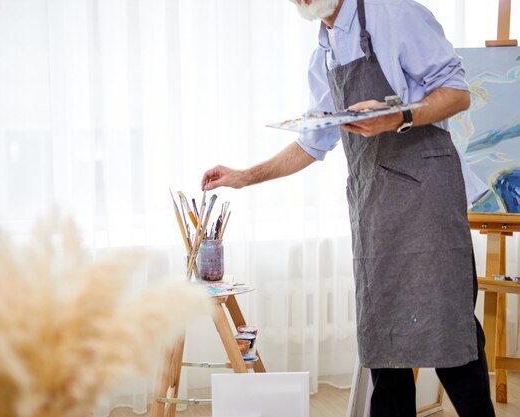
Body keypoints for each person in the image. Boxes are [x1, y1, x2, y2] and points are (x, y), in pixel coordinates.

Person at [201, 1, 496, 416]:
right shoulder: (323, 52)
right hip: (374, 204)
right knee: (383, 339)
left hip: (427, 198)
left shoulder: (392, 12)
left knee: (448, 328)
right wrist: (245, 176)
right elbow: (312, 142)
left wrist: (399, 117)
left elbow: (457, 93)